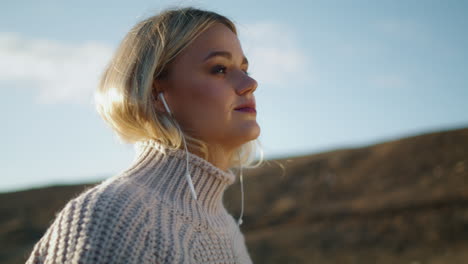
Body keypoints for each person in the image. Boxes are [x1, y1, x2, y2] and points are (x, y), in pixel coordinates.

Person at [25, 6, 264, 264]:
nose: (250, 83)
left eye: (244, 69)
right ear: (154, 94)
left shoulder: (228, 232)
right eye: (219, 69)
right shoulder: (114, 218)